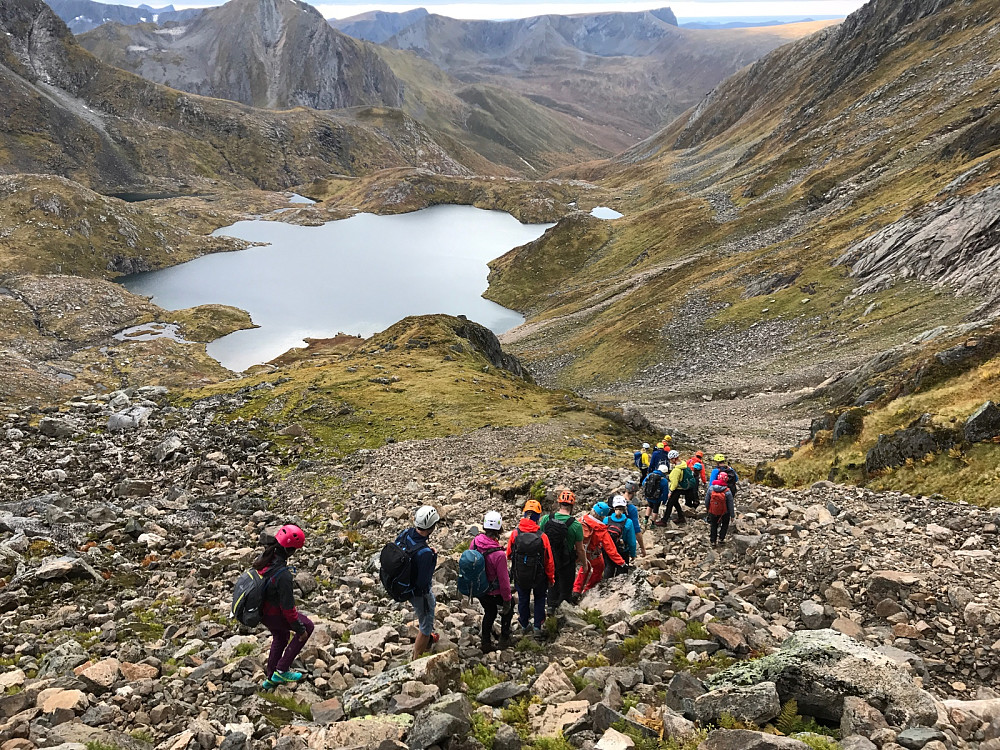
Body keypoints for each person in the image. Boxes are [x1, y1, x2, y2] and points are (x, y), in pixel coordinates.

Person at [256, 524, 315, 690]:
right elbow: (288, 610)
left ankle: (270, 679)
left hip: (262, 613)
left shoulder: (265, 558)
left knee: (280, 637)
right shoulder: (283, 575)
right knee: (308, 626)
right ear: (291, 550)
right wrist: (300, 630)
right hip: (273, 614)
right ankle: (281, 670)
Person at [396, 505, 441, 659]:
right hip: (418, 592)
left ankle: (427, 639)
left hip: (402, 583)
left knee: (431, 604)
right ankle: (417, 657)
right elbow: (423, 582)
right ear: (431, 527)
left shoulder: (406, 533)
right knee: (426, 622)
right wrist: (432, 558)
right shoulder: (425, 553)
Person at [507, 499, 555, 637]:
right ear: (537, 517)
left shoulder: (515, 534)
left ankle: (524, 625)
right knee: (539, 599)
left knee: (523, 599)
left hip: (521, 574)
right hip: (539, 576)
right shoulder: (542, 536)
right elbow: (549, 561)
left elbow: (509, 555)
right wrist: (551, 578)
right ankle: (537, 628)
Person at [470, 511, 513, 652]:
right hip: (493, 591)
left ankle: (486, 642)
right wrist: (507, 599)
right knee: (509, 608)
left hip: (479, 588)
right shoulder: (499, 554)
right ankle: (504, 639)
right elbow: (504, 581)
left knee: (490, 612)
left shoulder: (475, 542)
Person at [540, 490, 585, 617]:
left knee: (552, 583)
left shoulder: (546, 519)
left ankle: (550, 607)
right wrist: (585, 564)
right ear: (572, 506)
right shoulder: (576, 524)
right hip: (567, 560)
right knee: (566, 585)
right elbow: (580, 549)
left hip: (549, 558)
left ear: (559, 504)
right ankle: (564, 611)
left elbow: (539, 537)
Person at [573, 504, 626, 596]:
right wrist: (622, 563)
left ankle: (576, 590)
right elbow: (611, 550)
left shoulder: (582, 520)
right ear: (603, 516)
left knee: (585, 567)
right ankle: (588, 589)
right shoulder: (601, 529)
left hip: (578, 551)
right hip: (592, 553)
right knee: (599, 567)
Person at [603, 496, 637, 575]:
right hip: (622, 550)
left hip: (608, 549)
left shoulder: (606, 520)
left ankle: (605, 586)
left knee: (608, 567)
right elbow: (632, 541)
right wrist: (633, 554)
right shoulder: (628, 522)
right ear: (625, 508)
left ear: (613, 507)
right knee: (622, 571)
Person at [660, 450, 694, 525]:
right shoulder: (683, 465)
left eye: (670, 459)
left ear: (673, 459)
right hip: (684, 488)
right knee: (675, 502)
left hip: (677, 489)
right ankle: (681, 517)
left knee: (670, 504)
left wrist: (670, 491)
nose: (670, 461)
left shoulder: (677, 470)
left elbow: (674, 483)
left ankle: (664, 521)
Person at [706, 472, 736, 546]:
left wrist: (708, 508)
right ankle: (721, 538)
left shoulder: (711, 488)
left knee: (713, 525)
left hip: (713, 510)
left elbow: (707, 500)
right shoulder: (727, 491)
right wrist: (732, 515)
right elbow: (730, 504)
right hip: (725, 512)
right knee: (725, 524)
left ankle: (713, 540)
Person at [621, 481, 647, 556]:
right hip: (624, 542)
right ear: (634, 493)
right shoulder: (632, 508)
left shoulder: (614, 502)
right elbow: (636, 531)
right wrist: (642, 547)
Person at [642, 463, 670, 527]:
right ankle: (652, 524)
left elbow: (644, 483)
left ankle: (645, 520)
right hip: (657, 498)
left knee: (649, 506)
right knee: (655, 509)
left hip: (648, 495)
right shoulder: (664, 480)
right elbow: (665, 492)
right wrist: (664, 501)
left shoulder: (650, 475)